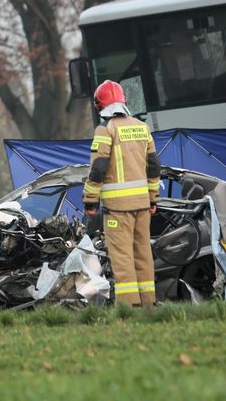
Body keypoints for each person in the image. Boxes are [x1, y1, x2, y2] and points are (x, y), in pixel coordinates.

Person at [82, 80, 160, 308]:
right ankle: (149, 306)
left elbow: (98, 168)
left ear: (100, 105)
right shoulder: (142, 127)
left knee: (122, 257)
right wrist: (152, 198)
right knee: (143, 254)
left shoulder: (105, 130)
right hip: (142, 206)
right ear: (123, 101)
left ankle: (130, 308)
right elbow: (154, 166)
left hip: (117, 209)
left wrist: (90, 202)